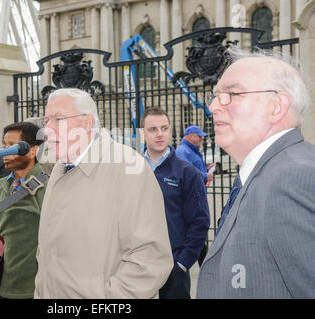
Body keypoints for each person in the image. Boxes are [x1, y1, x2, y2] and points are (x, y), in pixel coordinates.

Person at [196, 48, 315, 298]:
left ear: (277, 107)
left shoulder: (292, 177)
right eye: (216, 95)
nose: (213, 106)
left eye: (231, 94)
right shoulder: (270, 171)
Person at [34, 88, 173, 299]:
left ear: (87, 123)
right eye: (47, 120)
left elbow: (149, 259)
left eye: (58, 119)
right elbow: (46, 255)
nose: (47, 129)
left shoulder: (128, 166)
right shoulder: (59, 170)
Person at [0, 122, 47, 299]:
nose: (4, 152)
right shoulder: (5, 185)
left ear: (33, 151)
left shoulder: (48, 186)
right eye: (4, 146)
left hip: (32, 289)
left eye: (12, 146)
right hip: (0, 285)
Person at [140, 108, 210, 299]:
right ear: (143, 133)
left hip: (173, 269)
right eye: (152, 129)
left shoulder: (187, 173)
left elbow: (200, 221)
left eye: (164, 128)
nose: (160, 133)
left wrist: (183, 263)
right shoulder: (132, 170)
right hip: (137, 267)